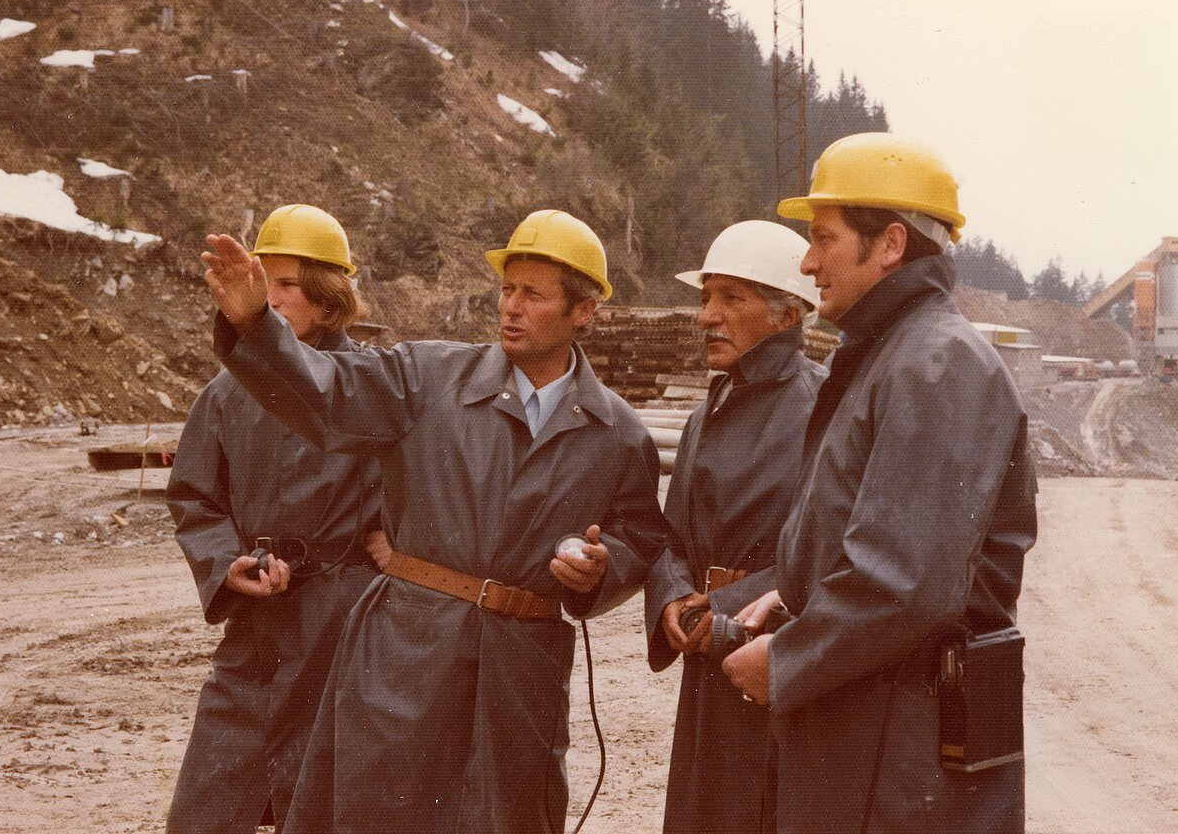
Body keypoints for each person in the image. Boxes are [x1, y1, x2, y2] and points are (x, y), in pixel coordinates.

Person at [200, 208, 669, 834]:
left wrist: (600, 569)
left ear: (583, 312)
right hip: (408, 648)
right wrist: (257, 322)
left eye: (534, 295)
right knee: (384, 811)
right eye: (508, 289)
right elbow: (325, 391)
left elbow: (639, 536)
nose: (511, 307)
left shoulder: (620, 434)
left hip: (520, 664)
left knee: (508, 816)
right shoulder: (426, 377)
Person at [722, 133, 1037, 833]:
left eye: (822, 239)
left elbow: (905, 578)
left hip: (900, 745)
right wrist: (794, 586)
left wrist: (787, 658)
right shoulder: (893, 356)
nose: (806, 262)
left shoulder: (935, 364)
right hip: (872, 724)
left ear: (890, 244)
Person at [164, 204, 391, 834]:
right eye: (265, 280)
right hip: (258, 628)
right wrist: (224, 564)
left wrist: (390, 535)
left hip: (344, 625)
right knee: (206, 808)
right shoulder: (225, 392)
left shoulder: (372, 381)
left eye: (287, 285)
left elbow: (429, 480)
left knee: (324, 806)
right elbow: (194, 497)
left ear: (326, 301)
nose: (270, 296)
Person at [643, 220, 825, 834]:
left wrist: (724, 605)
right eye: (705, 297)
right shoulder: (705, 412)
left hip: (775, 654)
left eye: (731, 299)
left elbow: (830, 553)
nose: (706, 317)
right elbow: (670, 535)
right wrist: (671, 596)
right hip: (705, 649)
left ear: (787, 314)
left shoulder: (826, 411)